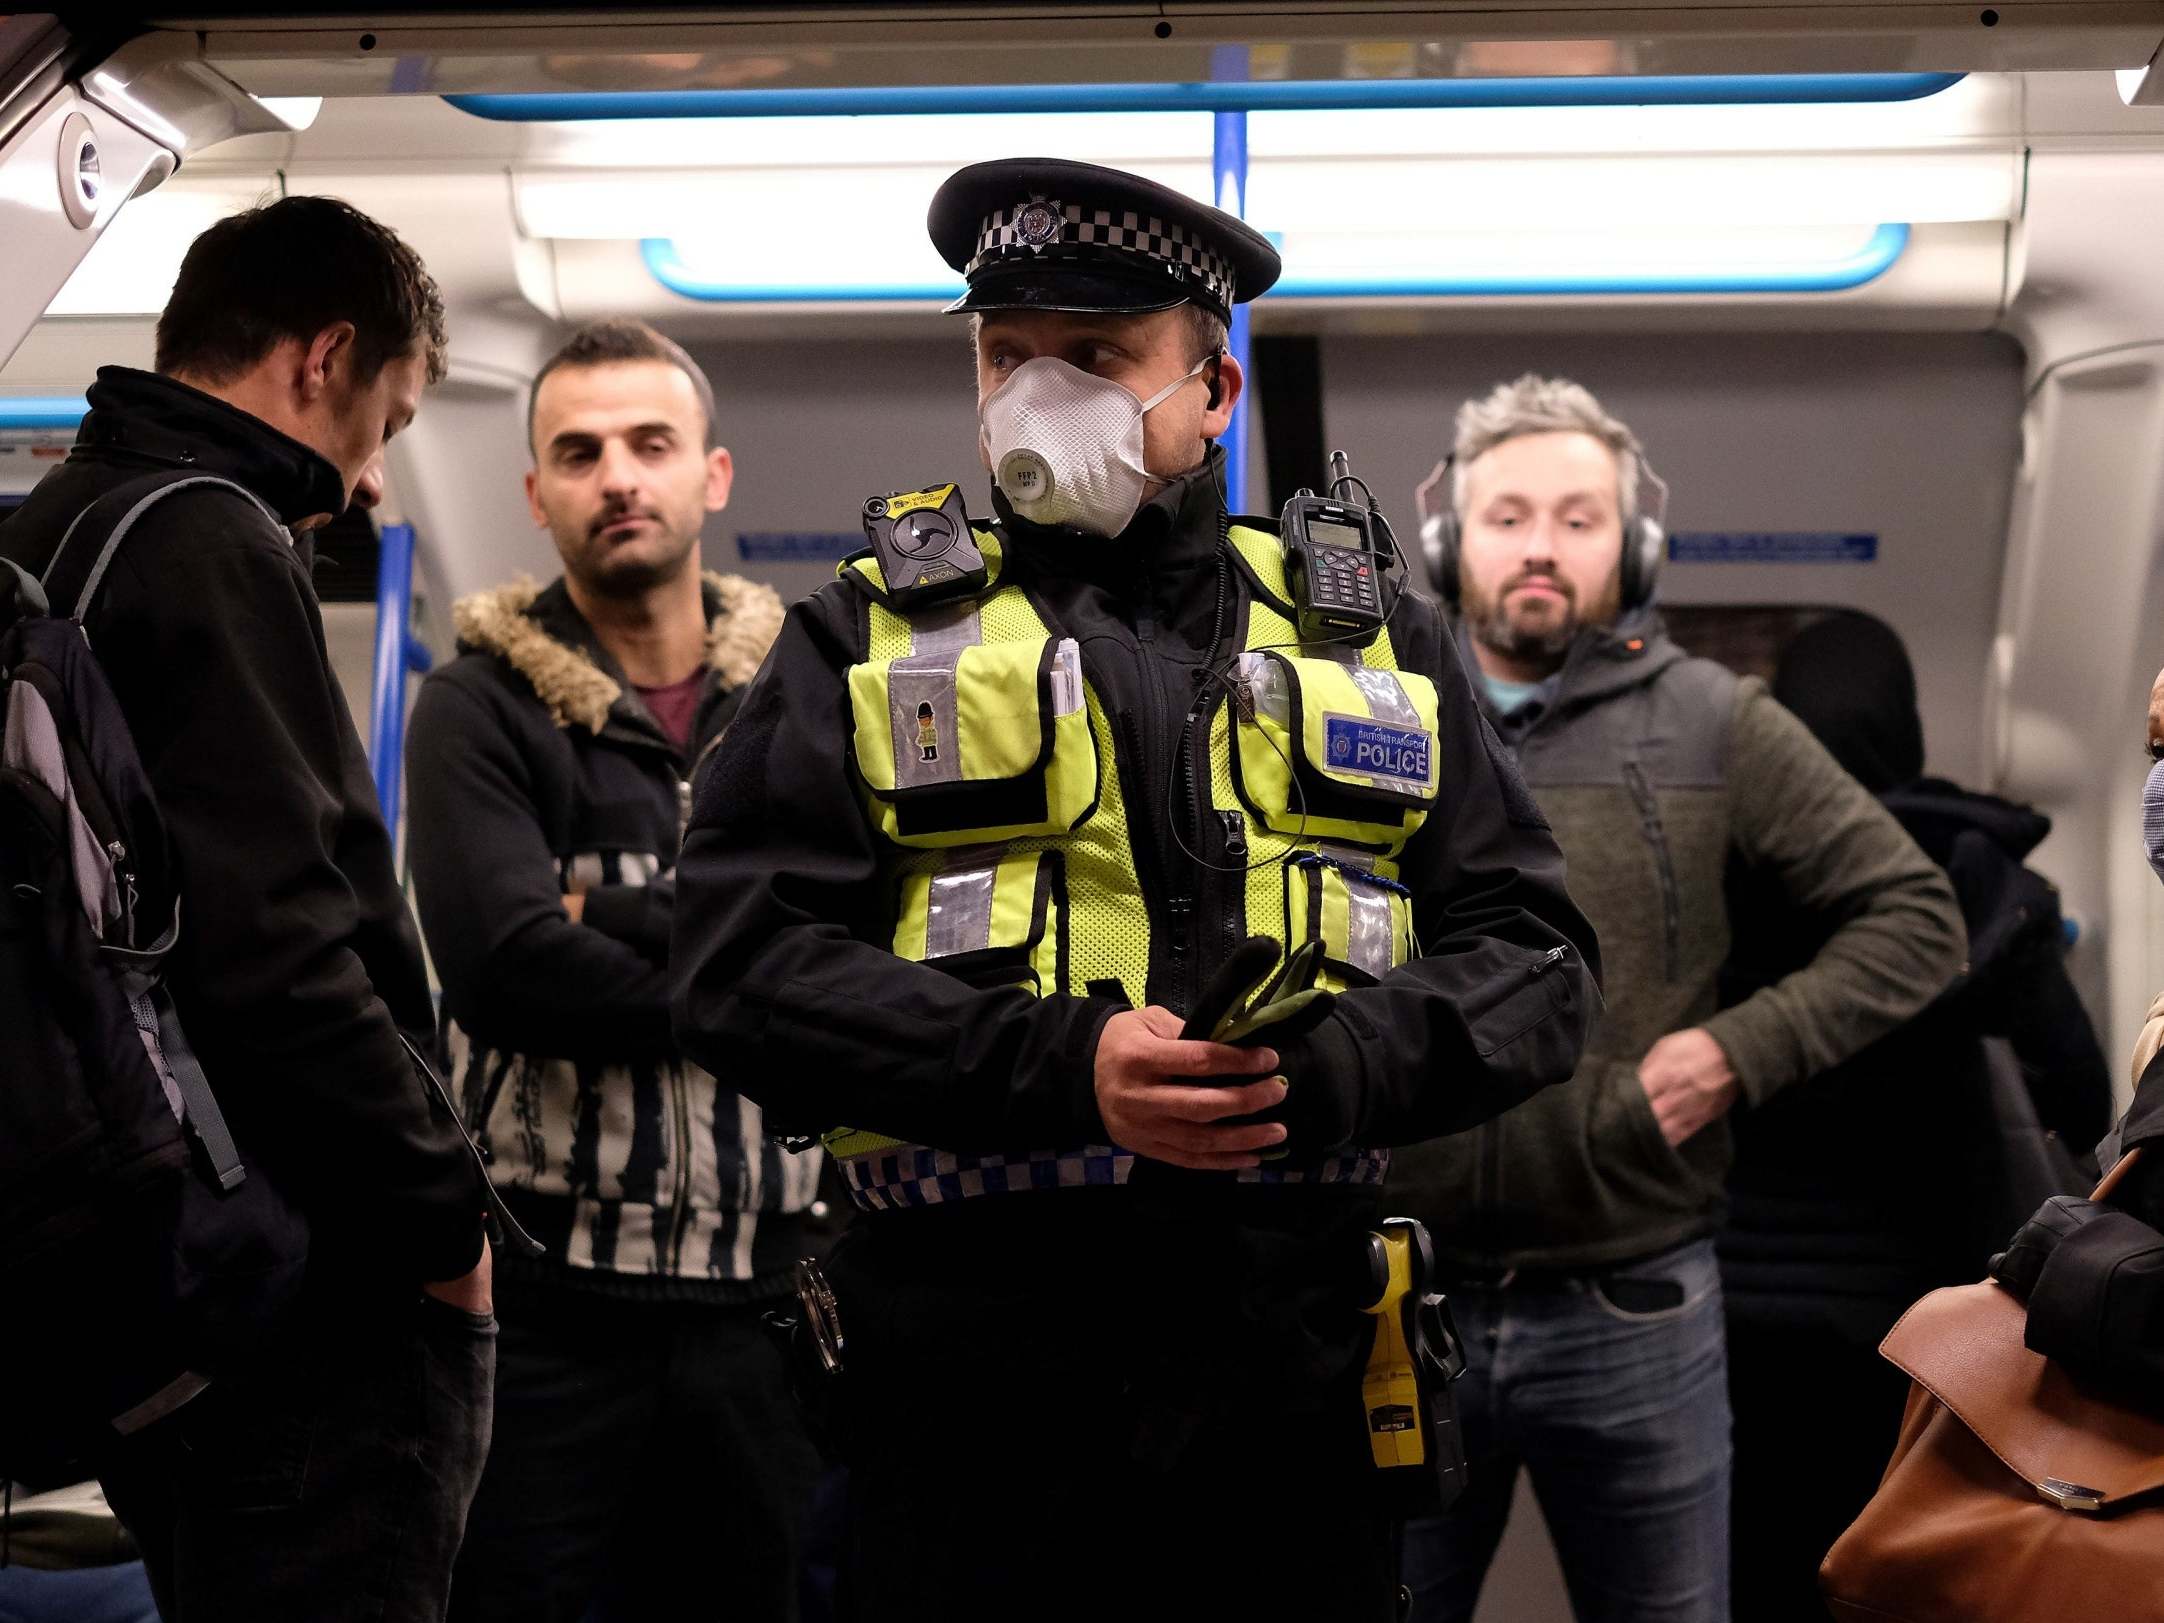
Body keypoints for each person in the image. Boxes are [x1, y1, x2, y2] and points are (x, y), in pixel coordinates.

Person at [669, 158, 1602, 1621]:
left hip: (1289, 1357)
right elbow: (735, 963)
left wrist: (1345, 1060)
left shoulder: (1371, 636)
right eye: (1006, 355)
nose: (1040, 394)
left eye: (1095, 358)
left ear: (1213, 390)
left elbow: (1537, 953)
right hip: (971, 1369)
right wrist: (1055, 1065)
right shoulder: (858, 637)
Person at [1391, 375, 1966, 1623]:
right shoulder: (1358, 714)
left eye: (1579, 518)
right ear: (1450, 540)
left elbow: (1915, 919)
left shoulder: (1710, 722)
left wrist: (1728, 1053)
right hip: (1390, 1298)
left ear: (1632, 545)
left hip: (1633, 1300)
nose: (1540, 546)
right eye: (1507, 516)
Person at [0, 196, 494, 1621]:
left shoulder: (61, 521)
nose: (374, 484)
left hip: (139, 1251)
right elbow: (281, 949)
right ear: (324, 356)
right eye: (388, 422)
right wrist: (443, 1221)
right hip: (298, 1282)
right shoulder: (211, 538)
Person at [402, 318, 819, 1622]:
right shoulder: (477, 707)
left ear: (715, 473)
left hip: (770, 1305)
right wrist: (765, 965)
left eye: (651, 442)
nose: (617, 477)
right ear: (536, 494)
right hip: (547, 1311)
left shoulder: (814, 704)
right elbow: (508, 969)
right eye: (578, 453)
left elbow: (877, 952)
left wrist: (611, 905)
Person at [1718, 610, 2111, 1621]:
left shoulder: (1714, 866)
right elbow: (2079, 1098)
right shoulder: (1984, 882)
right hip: (1918, 1312)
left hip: (1727, 1301)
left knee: (1749, 1564)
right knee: (1897, 1567)